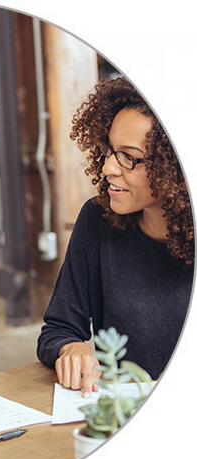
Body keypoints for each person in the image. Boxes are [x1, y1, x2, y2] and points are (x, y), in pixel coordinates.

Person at [37, 77, 194, 397]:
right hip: (119, 416)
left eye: (128, 157)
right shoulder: (97, 220)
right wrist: (70, 349)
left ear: (175, 166)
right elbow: (58, 329)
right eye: (109, 151)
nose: (109, 167)